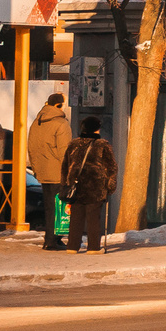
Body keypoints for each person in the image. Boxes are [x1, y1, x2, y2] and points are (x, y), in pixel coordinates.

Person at [58, 116, 118, 255]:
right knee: (93, 218)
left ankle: (72, 246)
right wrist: (110, 185)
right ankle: (93, 247)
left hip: (76, 186)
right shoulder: (103, 145)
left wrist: (65, 183)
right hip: (95, 186)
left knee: (76, 217)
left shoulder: (73, 144)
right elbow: (112, 168)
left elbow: (65, 166)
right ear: (97, 128)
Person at [28, 92, 72, 250]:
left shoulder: (36, 122)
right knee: (61, 207)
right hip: (58, 172)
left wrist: (36, 168)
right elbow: (65, 151)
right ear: (59, 105)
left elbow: (31, 147)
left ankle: (51, 239)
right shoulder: (61, 124)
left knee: (49, 207)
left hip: (43, 172)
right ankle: (53, 240)